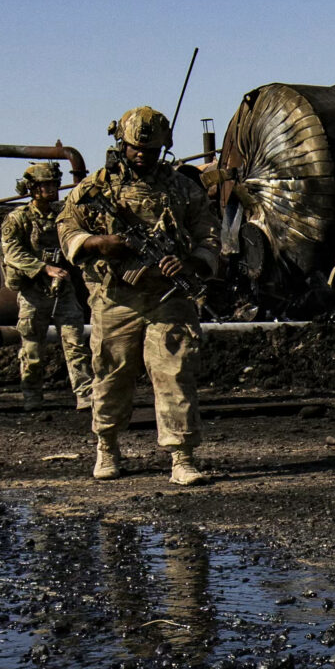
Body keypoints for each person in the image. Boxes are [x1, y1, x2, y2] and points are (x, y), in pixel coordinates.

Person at [60, 106, 221, 485]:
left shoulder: (183, 188)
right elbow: (67, 226)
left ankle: (181, 457)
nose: (142, 155)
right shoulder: (96, 187)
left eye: (150, 149)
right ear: (121, 143)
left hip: (169, 297)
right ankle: (108, 446)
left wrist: (191, 264)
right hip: (117, 297)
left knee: (175, 373)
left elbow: (208, 233)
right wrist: (100, 243)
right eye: (135, 147)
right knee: (112, 374)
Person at [1, 162, 92, 411]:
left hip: (62, 289)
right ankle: (32, 395)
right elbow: (12, 253)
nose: (52, 189)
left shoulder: (62, 216)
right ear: (32, 188)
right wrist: (44, 268)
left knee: (75, 343)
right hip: (33, 291)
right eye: (45, 185)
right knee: (32, 348)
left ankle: (85, 394)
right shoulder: (18, 218)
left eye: (54, 183)